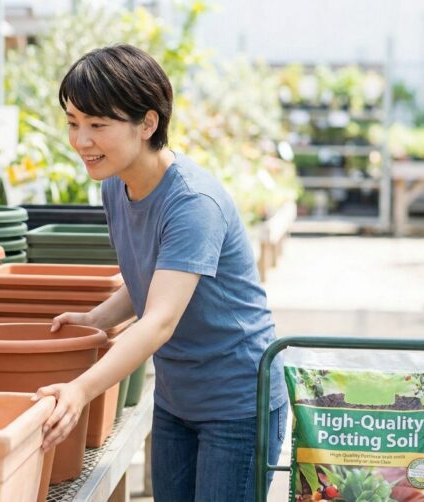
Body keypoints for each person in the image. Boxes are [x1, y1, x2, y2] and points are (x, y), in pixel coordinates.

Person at [33, 44, 289, 501]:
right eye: (73, 123)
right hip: (177, 398)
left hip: (237, 403)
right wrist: (97, 319)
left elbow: (159, 320)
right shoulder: (116, 184)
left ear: (148, 123)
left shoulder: (193, 203)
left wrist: (80, 391)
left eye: (97, 125)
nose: (81, 140)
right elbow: (151, 277)